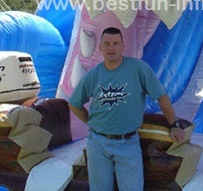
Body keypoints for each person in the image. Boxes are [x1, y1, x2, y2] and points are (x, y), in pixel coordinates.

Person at [69, 26, 186, 191]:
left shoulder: (139, 69)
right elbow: (74, 103)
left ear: (122, 46)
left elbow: (161, 96)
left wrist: (174, 125)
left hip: (128, 143)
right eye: (107, 44)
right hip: (97, 143)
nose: (111, 48)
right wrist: (91, 122)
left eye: (116, 43)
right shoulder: (93, 75)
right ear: (100, 47)